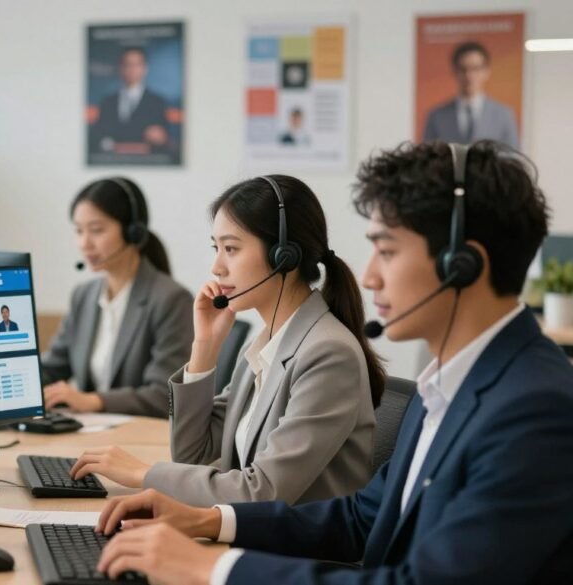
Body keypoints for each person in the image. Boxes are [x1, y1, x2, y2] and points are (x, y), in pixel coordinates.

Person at [92, 141, 573, 585]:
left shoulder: (534, 410)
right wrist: (206, 520)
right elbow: (361, 517)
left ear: (461, 264)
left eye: (386, 250)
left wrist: (214, 567)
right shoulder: (448, 386)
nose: (369, 275)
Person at [72, 175, 384, 507]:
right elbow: (193, 455)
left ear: (284, 256)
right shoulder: (267, 344)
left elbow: (262, 492)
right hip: (251, 537)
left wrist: (143, 474)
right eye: (216, 248)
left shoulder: (328, 354)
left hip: (297, 553)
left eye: (231, 249)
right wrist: (204, 346)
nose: (216, 267)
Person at [39, 177, 193, 418]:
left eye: (97, 230)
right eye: (79, 231)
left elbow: (165, 395)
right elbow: (53, 367)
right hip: (89, 434)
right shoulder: (84, 296)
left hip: (139, 437)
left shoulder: (171, 300)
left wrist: (92, 400)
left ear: (133, 232)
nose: (84, 243)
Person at [422, 42, 519, 148]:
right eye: (463, 69)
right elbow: (427, 158)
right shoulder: (437, 116)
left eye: (475, 68)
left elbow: (513, 157)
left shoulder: (503, 114)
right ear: (454, 71)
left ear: (486, 71)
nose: (469, 75)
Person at [89, 47, 173, 154]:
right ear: (120, 68)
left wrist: (160, 138)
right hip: (112, 160)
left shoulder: (157, 102)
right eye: (127, 64)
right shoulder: (108, 102)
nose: (131, 69)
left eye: (136, 64)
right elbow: (97, 136)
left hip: (148, 163)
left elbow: (165, 139)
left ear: (145, 68)